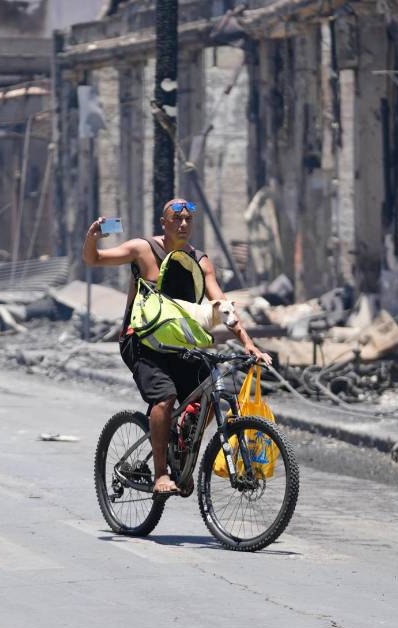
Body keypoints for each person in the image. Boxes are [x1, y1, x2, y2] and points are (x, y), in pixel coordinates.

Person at [82, 198, 271, 495]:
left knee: (210, 390)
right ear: (163, 223)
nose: (183, 224)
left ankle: (182, 447)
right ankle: (161, 474)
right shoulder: (143, 249)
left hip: (179, 344)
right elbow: (94, 259)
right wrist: (93, 237)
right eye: (176, 219)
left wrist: (248, 343)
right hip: (141, 342)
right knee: (165, 397)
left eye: (188, 219)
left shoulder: (200, 261)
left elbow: (222, 306)